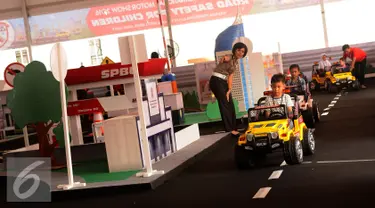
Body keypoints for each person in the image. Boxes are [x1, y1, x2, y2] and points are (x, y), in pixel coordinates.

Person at [209, 42, 248, 137]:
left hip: (222, 82)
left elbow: (230, 76)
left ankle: (234, 127)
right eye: (238, 50)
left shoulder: (235, 62)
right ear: (234, 50)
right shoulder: (230, 57)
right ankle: (229, 129)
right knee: (225, 105)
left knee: (230, 104)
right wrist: (225, 58)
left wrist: (229, 90)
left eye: (243, 51)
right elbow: (225, 58)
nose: (240, 53)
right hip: (216, 81)